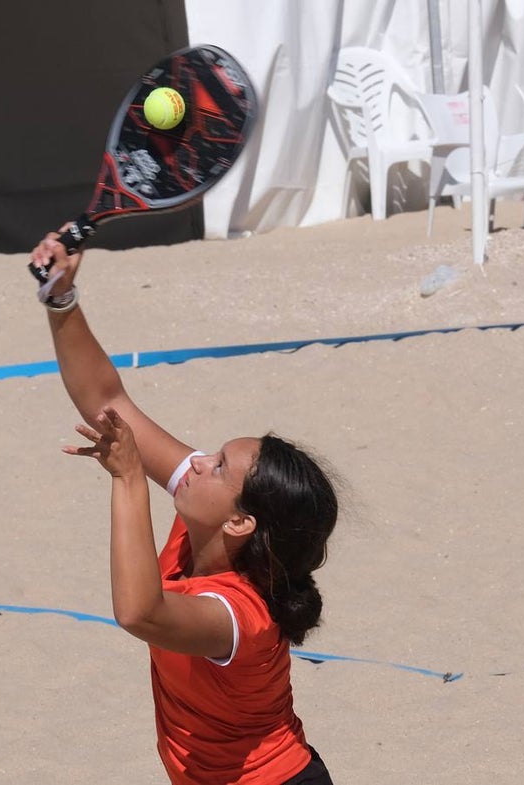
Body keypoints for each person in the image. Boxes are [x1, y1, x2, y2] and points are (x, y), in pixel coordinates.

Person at [30, 232, 338, 785]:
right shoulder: (205, 522)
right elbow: (108, 403)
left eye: (218, 465)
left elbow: (138, 613)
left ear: (241, 521)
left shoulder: (236, 614)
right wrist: (61, 300)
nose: (197, 463)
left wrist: (129, 480)